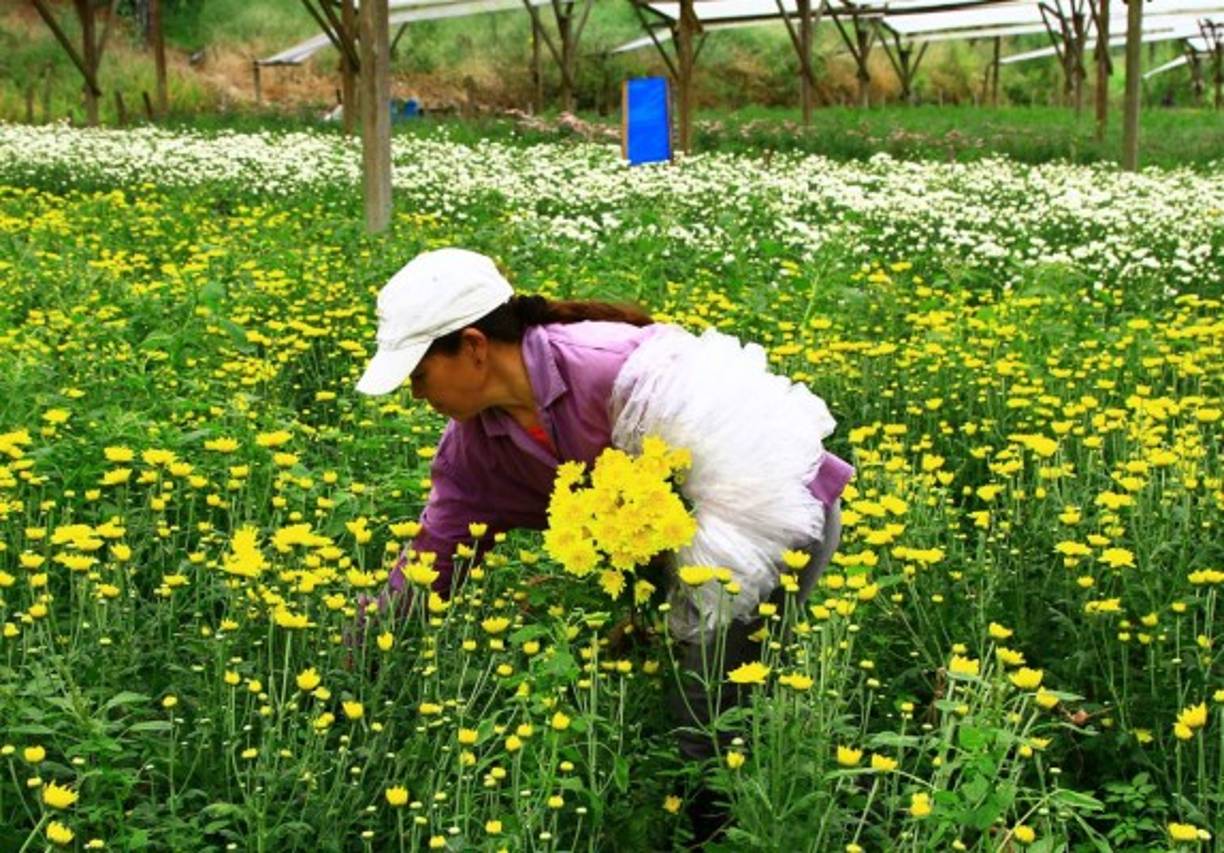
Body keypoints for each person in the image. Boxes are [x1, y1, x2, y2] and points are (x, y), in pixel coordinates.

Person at [355, 247, 852, 845]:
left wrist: (675, 608)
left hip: (775, 523)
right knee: (683, 701)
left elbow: (753, 485)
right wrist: (360, 655)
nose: (414, 394)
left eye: (418, 374)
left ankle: (720, 835)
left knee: (704, 713)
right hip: (686, 546)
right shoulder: (474, 451)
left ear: (474, 347)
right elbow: (431, 560)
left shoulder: (607, 366)